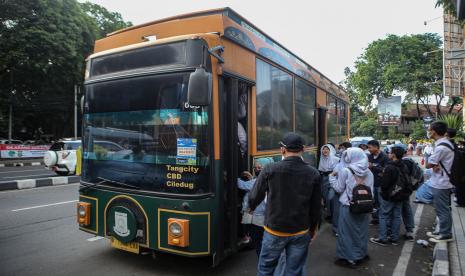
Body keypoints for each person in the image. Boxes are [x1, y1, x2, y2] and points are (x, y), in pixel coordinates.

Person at [249, 132, 321, 276]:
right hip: (301, 231)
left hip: (274, 230)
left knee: (265, 269)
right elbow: (315, 207)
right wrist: (313, 229)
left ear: (282, 149)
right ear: (303, 149)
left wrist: (251, 208)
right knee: (294, 271)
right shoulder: (313, 173)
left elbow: (254, 196)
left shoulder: (270, 169)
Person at [333, 147, 373, 268]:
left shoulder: (346, 171)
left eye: (348, 157)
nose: (346, 159)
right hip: (365, 206)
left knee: (346, 233)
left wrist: (331, 178)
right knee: (361, 231)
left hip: (349, 206)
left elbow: (339, 189)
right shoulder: (369, 172)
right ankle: (361, 254)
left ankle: (349, 258)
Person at [370, 146, 410, 246]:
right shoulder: (404, 165)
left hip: (389, 195)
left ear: (394, 154)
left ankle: (382, 238)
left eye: (390, 152)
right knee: (397, 216)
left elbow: (384, 184)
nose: (389, 154)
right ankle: (394, 238)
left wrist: (383, 187)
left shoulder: (390, 167)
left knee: (383, 215)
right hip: (401, 194)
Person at [425, 121, 454, 243]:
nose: (428, 132)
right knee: (441, 208)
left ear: (434, 131)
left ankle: (445, 234)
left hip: (442, 182)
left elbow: (428, 164)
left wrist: (431, 163)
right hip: (442, 180)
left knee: (442, 209)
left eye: (429, 129)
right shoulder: (445, 143)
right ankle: (442, 230)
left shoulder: (441, 147)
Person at [237, 158, 273, 256]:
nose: (257, 169)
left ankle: (263, 262)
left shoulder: (256, 182)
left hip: (257, 217)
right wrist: (252, 177)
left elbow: (242, 185)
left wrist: (229, 174)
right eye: (255, 167)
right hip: (265, 216)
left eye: (259, 167)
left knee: (258, 241)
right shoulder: (271, 179)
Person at [367, 140, 389, 225]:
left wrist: (374, 166)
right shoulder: (370, 156)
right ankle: (375, 218)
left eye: (370, 147)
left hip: (380, 184)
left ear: (376, 147)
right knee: (373, 202)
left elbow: (386, 170)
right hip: (372, 183)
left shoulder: (384, 157)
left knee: (381, 203)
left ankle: (383, 220)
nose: (369, 149)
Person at [318, 144, 340, 220]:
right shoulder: (322, 159)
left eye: (327, 149)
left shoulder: (336, 159)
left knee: (331, 197)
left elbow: (338, 170)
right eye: (323, 149)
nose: (325, 150)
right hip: (324, 179)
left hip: (333, 179)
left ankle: (334, 214)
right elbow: (321, 170)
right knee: (325, 197)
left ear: (330, 150)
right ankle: (329, 214)